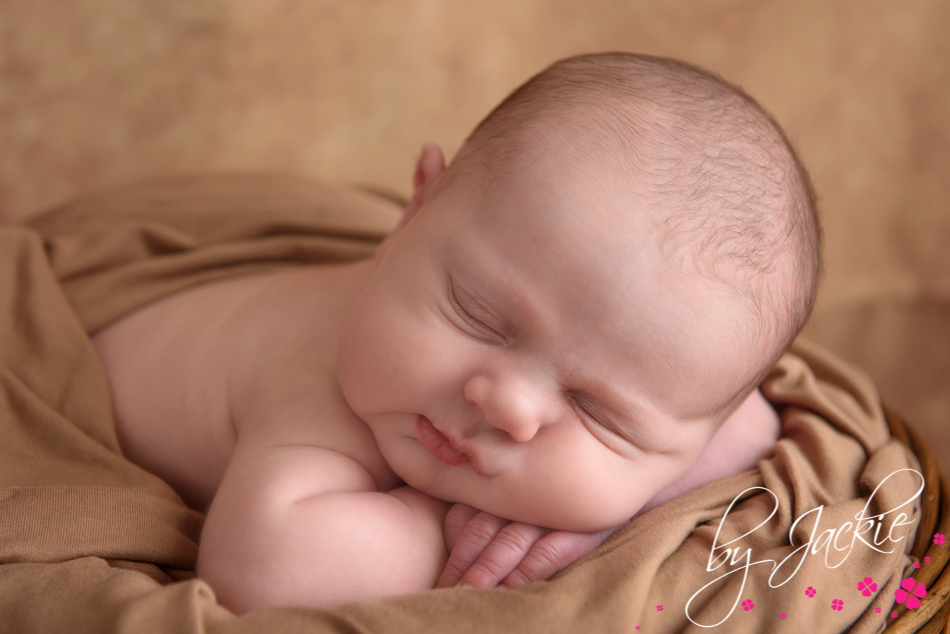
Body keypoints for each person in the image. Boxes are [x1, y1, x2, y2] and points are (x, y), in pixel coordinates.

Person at [90, 52, 820, 613]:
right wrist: (455, 524)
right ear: (413, 212)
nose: (508, 406)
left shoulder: (679, 397)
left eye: (601, 413)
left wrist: (605, 517)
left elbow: (749, 432)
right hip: (93, 384)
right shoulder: (330, 385)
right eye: (480, 315)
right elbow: (264, 573)